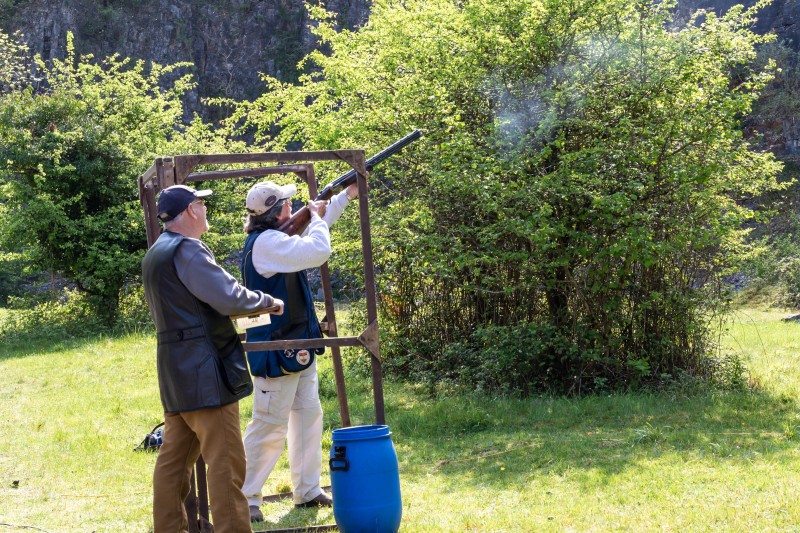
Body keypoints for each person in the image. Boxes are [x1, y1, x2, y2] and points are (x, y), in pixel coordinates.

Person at [142, 184, 284, 533]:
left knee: (172, 466)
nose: (206, 210)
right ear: (191, 210)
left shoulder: (156, 252)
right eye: (201, 204)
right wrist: (267, 302)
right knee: (226, 467)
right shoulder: (187, 250)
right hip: (205, 372)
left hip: (176, 373)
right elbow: (227, 296)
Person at [240, 178, 361, 521]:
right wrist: (319, 216)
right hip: (277, 344)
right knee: (268, 424)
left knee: (308, 416)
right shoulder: (267, 243)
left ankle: (307, 491)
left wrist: (343, 197)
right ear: (278, 211)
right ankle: (245, 497)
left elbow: (311, 233)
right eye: (288, 204)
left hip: (296, 342)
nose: (293, 207)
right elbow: (317, 249)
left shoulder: (275, 239)